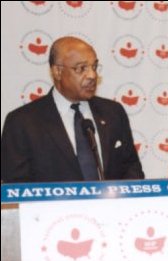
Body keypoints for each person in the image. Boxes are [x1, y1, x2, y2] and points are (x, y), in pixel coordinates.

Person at [1, 36, 144, 182]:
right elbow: (15, 187)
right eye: (81, 68)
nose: (92, 75)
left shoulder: (113, 112)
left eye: (94, 67)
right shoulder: (22, 122)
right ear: (57, 71)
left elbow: (131, 168)